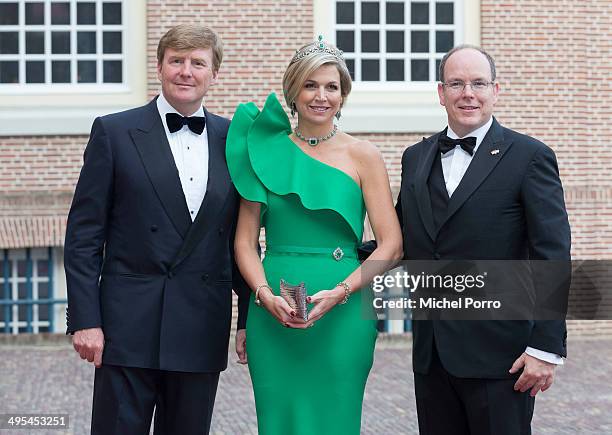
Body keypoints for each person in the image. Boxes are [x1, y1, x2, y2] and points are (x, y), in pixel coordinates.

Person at [64, 24, 249, 435]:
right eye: (176, 61)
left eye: (198, 63)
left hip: (201, 324)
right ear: (160, 67)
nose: (186, 71)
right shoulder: (114, 132)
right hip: (125, 328)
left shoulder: (235, 139)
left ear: (213, 74)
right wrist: (85, 319)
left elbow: (240, 239)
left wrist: (247, 319)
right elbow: (84, 236)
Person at [227, 38, 403, 434]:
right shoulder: (263, 150)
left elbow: (391, 245)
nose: (321, 96)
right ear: (293, 90)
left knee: (335, 420)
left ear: (343, 95)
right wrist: (263, 295)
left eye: (331, 87)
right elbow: (244, 242)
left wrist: (341, 292)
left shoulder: (364, 156)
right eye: (310, 85)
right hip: (273, 309)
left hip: (345, 308)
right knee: (279, 422)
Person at [395, 45, 571, 435]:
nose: (467, 93)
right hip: (432, 355)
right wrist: (330, 258)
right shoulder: (415, 157)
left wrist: (545, 348)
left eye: (478, 83)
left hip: (503, 357)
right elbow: (401, 241)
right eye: (456, 83)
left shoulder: (530, 157)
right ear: (441, 93)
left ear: (496, 90)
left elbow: (553, 255)